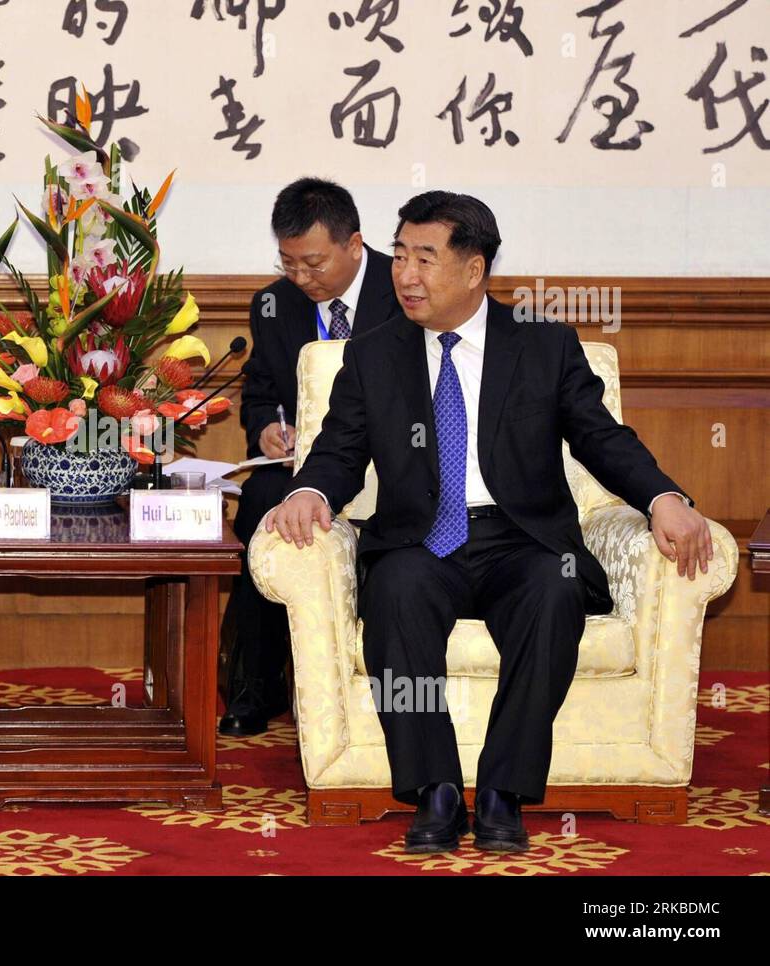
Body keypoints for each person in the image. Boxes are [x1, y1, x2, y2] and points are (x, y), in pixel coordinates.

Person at [265, 191, 712, 853]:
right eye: (402, 255)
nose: (405, 274)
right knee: (396, 594)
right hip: (419, 537)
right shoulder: (373, 354)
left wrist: (664, 498)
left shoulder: (544, 345)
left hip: (521, 538)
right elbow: (337, 451)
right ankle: (434, 789)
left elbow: (601, 437)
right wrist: (309, 492)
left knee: (554, 593)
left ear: (473, 271)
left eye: (425, 258)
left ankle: (504, 789)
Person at [222, 177, 399, 736]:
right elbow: (259, 392)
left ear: (354, 244)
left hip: (387, 464)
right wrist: (268, 428)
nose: (302, 278)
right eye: (289, 262)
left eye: (314, 264)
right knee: (259, 505)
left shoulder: (406, 291)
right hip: (302, 470)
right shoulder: (274, 305)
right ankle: (255, 685)